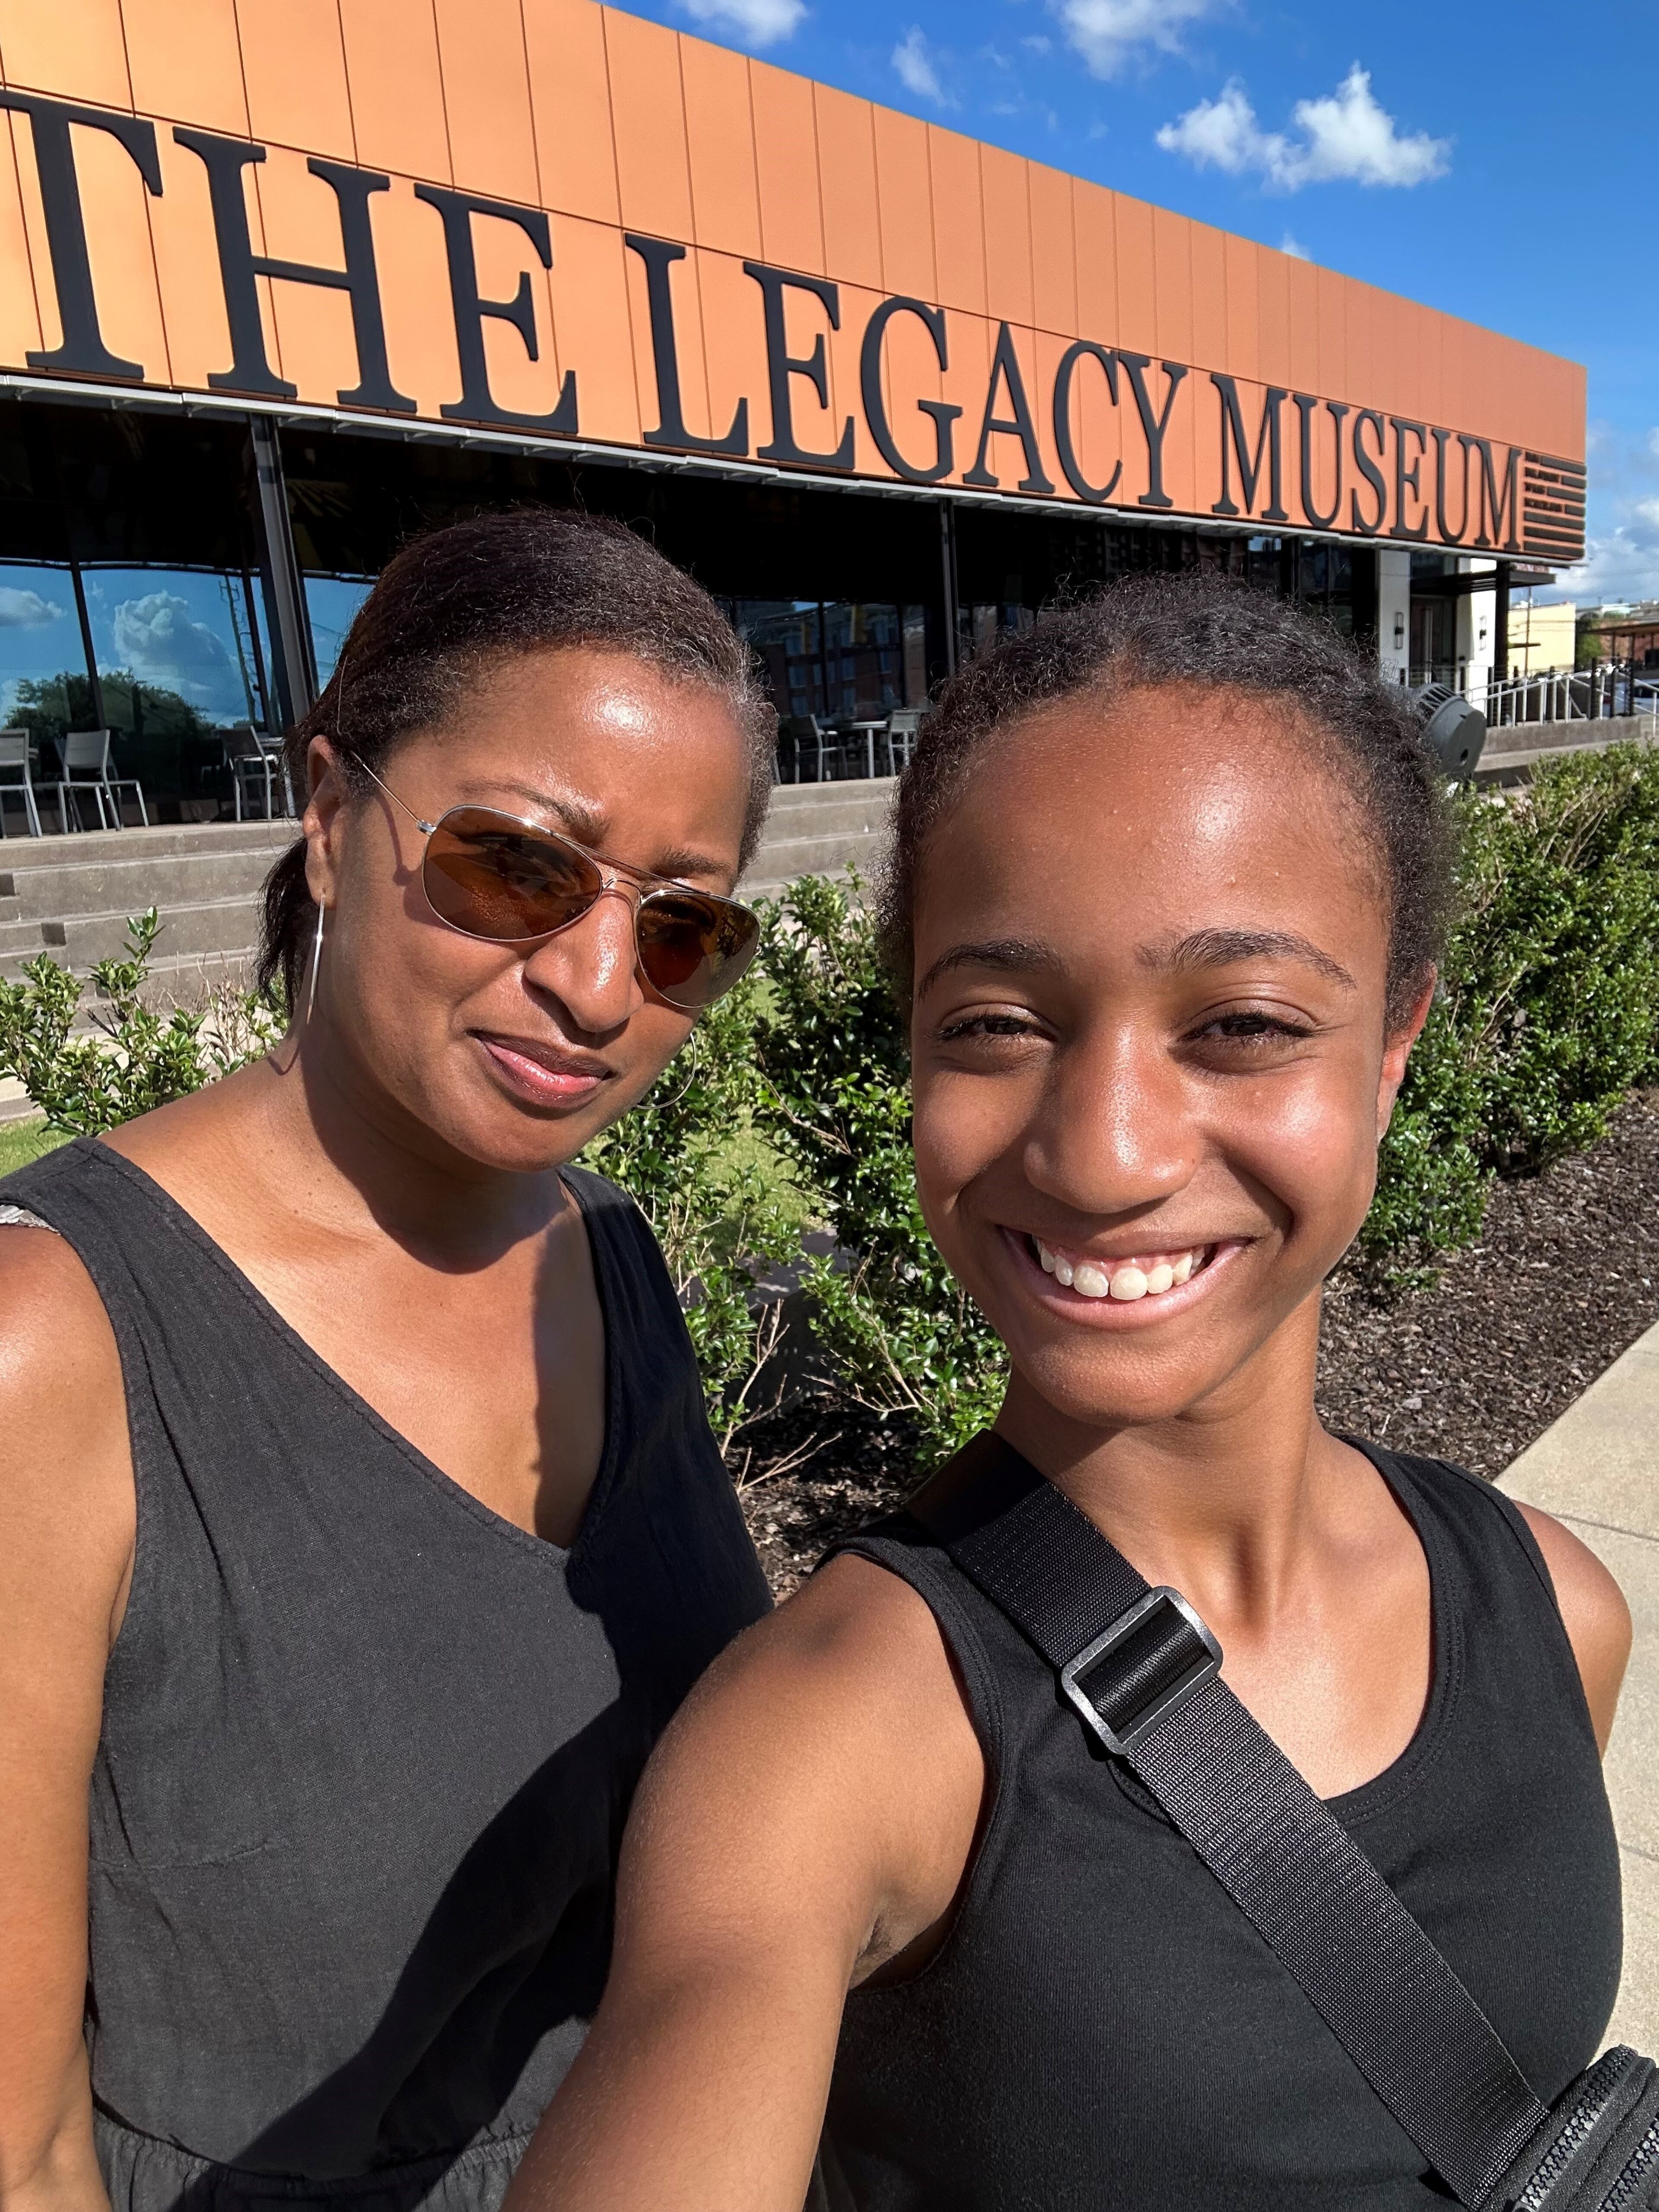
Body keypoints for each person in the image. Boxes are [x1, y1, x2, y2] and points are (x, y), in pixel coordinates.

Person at [505, 572, 1633, 2212]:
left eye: (1241, 1024)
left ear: (1395, 1046)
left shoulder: (1558, 1613)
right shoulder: (829, 1749)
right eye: (995, 1023)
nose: (1103, 1158)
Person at [0, 510, 776, 2212]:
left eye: (680, 928)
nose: (598, 987)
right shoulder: (53, 1344)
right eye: (519, 865)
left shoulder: (609, 1257)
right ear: (334, 817)